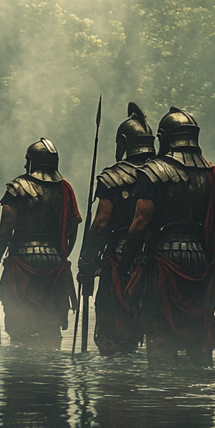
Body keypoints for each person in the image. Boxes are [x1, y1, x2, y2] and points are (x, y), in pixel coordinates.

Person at [120, 108, 215, 367]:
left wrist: (127, 265)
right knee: (196, 339)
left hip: (162, 262)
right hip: (201, 263)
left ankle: (163, 397)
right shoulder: (211, 174)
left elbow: (139, 224)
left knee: (160, 337)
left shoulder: (153, 171)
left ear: (164, 138)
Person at [78, 102, 155, 355]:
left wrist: (86, 262)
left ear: (123, 142)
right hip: (159, 261)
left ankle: (116, 391)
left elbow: (101, 225)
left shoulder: (114, 177)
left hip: (121, 262)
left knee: (114, 338)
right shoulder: (167, 173)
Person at [0, 138, 80, 348]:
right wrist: (63, 253)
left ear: (31, 161)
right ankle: (50, 369)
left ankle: (22, 370)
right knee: (50, 323)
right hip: (55, 261)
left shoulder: (17, 187)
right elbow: (73, 227)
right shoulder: (64, 189)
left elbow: (5, 229)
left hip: (21, 260)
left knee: (19, 323)